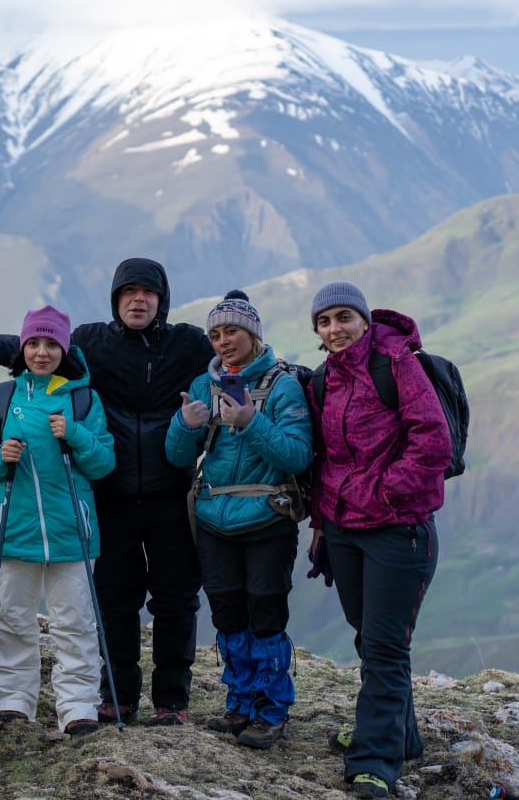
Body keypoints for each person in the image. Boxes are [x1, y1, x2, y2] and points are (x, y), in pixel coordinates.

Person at [0, 259, 211, 724]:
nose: (138, 300)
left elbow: (231, 359)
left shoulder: (188, 344)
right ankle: (118, 695)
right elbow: (37, 347)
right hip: (112, 497)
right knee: (115, 599)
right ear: (115, 298)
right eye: (128, 292)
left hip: (171, 494)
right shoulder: (92, 342)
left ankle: (171, 701)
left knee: (176, 600)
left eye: (147, 292)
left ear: (162, 299)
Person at [306, 281, 450, 798]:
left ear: (364, 320)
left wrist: (386, 492)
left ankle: (374, 761)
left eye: (344, 317)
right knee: (368, 636)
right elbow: (323, 459)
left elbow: (433, 440)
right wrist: (321, 523)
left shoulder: (396, 364)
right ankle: (398, 735)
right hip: (344, 529)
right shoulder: (322, 380)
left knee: (386, 646)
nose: (335, 329)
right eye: (324, 322)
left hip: (398, 529)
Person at [164, 291, 311, 749]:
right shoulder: (203, 384)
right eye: (215, 334)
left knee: (265, 616)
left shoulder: (283, 386)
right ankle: (241, 703)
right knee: (228, 616)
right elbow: (178, 457)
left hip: (268, 519)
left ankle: (271, 710)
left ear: (253, 334)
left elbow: (298, 455)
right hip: (214, 520)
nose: (223, 341)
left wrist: (250, 421)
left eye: (231, 331)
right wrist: (184, 426)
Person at [0, 305, 116, 736]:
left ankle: (79, 707)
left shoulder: (83, 399)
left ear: (64, 350)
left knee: (75, 623)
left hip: (71, 532)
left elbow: (104, 462)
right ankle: (14, 702)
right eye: (33, 343)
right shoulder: (0, 397)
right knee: (13, 619)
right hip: (15, 528)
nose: (41, 352)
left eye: (51, 344)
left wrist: (75, 434)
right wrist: (0, 456)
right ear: (22, 348)